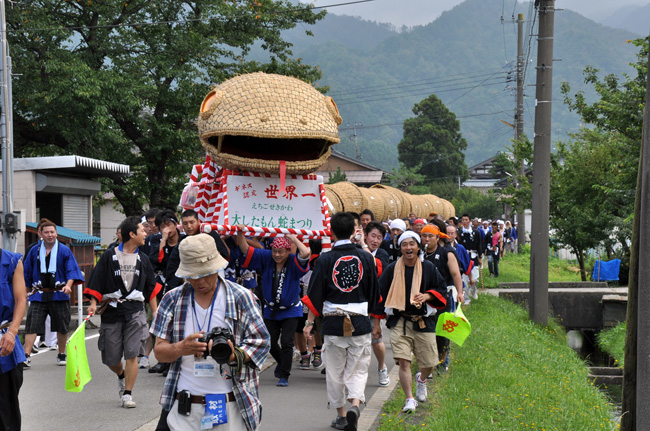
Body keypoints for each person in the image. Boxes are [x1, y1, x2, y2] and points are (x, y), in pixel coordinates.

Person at [151, 233, 270, 431]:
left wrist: (233, 355)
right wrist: (182, 348)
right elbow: (160, 352)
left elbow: (262, 342)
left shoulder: (241, 297)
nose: (200, 282)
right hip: (184, 408)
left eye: (206, 273)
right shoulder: (172, 300)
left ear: (217, 267)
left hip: (229, 404)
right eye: (193, 276)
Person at [302, 212, 380, 431]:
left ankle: (342, 416)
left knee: (335, 371)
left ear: (332, 232)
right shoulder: (366, 257)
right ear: (354, 230)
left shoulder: (325, 258)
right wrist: (374, 319)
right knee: (358, 368)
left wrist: (309, 324)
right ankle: (355, 403)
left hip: (334, 323)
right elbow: (374, 292)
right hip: (360, 321)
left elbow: (314, 295)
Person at [85, 216, 160, 408]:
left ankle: (127, 393)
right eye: (142, 230)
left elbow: (150, 287)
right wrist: (93, 302)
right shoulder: (109, 256)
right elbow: (97, 281)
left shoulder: (143, 259)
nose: (145, 233)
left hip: (135, 311)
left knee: (132, 353)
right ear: (132, 234)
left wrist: (155, 311)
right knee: (111, 359)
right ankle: (120, 374)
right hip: (111, 311)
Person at [375, 231, 447, 413]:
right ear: (400, 248)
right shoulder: (392, 269)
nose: (408, 247)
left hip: (423, 321)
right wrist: (376, 323)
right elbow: (379, 294)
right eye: (404, 244)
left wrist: (428, 295)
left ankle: (421, 379)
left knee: (430, 363)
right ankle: (409, 399)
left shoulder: (428, 267)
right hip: (400, 320)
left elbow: (441, 289)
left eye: (411, 244)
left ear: (417, 246)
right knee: (403, 361)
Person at [236, 227, 310, 387]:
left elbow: (305, 253)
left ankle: (285, 375)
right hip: (270, 309)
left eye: (281, 252)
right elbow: (245, 249)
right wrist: (240, 233)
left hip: (291, 309)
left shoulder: (293, 260)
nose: (277, 255)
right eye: (275, 251)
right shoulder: (266, 257)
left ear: (287, 250)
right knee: (267, 342)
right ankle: (282, 363)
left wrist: (293, 238)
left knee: (287, 341)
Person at [23, 220, 84, 366]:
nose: (50, 235)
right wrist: (25, 293)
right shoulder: (34, 251)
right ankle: (26, 355)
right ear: (41, 234)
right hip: (39, 294)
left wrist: (69, 286)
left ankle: (61, 353)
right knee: (32, 324)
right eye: (46, 232)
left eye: (52, 232)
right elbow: (26, 273)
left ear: (56, 233)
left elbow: (71, 270)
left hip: (59, 293)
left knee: (62, 326)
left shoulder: (64, 250)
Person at [421, 222, 463, 374]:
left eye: (430, 236)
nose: (427, 239)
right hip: (424, 298)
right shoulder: (419, 253)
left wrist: (460, 292)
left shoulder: (447, 253)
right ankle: (428, 362)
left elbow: (456, 274)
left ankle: (443, 360)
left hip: (443, 298)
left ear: (437, 237)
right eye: (424, 236)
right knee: (425, 332)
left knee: (443, 332)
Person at [0, 248, 27, 431]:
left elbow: (20, 299)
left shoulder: (12, 261)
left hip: (4, 338)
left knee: (5, 408)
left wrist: (12, 332)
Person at [363, 221, 390, 387]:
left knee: (376, 340)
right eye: (373, 236)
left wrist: (362, 247)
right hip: (355, 303)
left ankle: (382, 367)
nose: (375, 240)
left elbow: (377, 268)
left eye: (379, 237)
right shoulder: (355, 249)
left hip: (374, 304)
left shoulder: (382, 254)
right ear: (365, 235)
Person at [457, 214, 482, 302]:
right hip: (463, 257)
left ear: (469, 221)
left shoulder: (476, 232)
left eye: (466, 220)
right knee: (464, 279)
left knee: (475, 279)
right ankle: (466, 297)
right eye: (463, 220)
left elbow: (479, 245)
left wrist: (480, 257)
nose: (464, 222)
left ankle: (474, 291)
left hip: (473, 256)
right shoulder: (459, 233)